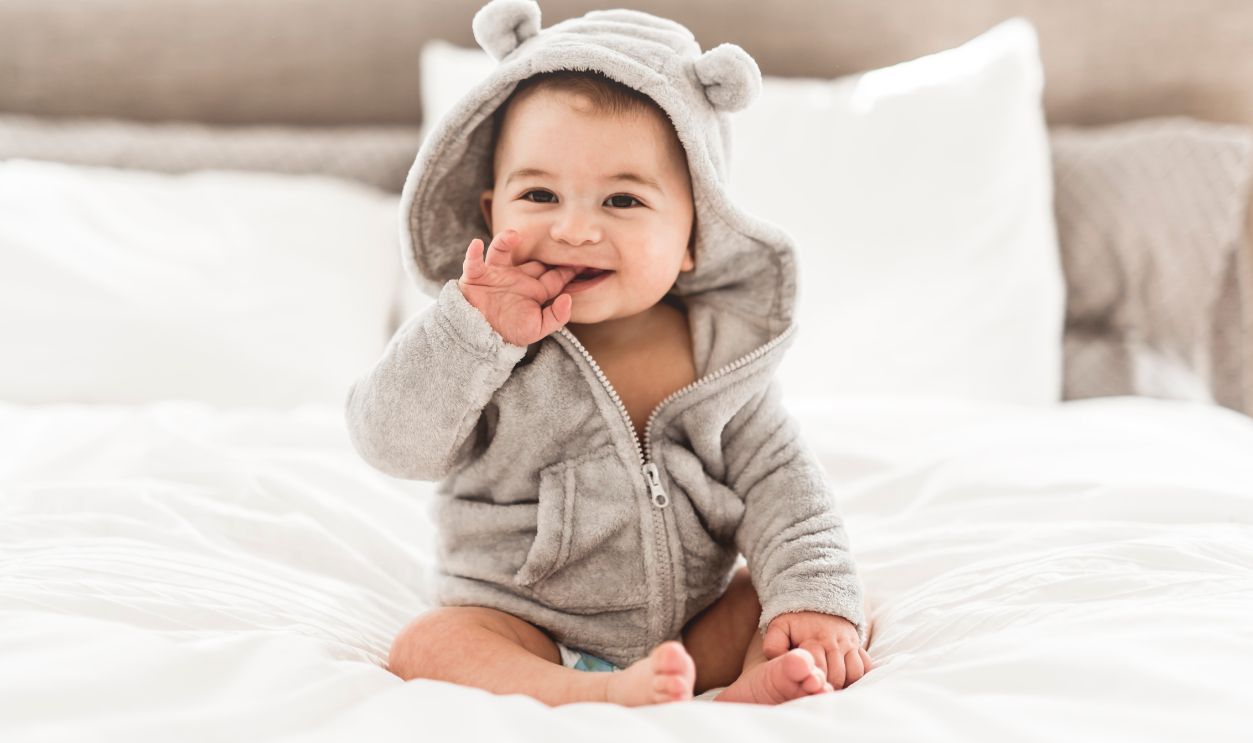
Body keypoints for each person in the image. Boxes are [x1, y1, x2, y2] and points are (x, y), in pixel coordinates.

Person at [346, 0, 874, 706]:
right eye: (538, 193)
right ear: (490, 209)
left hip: (689, 633)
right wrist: (471, 333)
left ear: (693, 235)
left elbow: (786, 492)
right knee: (429, 643)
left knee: (782, 597)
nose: (572, 228)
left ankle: (740, 690)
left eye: (621, 201)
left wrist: (814, 597)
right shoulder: (479, 342)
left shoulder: (722, 361)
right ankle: (589, 693)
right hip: (522, 623)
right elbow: (391, 443)